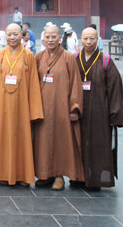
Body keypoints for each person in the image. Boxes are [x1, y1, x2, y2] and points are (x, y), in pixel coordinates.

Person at [0, 23, 44, 186]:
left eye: (15, 34)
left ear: (22, 36)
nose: (12, 37)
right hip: (3, 105)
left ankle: (23, 175)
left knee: (23, 138)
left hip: (22, 105)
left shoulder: (29, 56)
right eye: (9, 34)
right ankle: (4, 174)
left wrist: (34, 109)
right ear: (5, 37)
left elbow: (34, 84)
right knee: (3, 138)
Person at [33, 25, 84, 191]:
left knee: (60, 142)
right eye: (47, 37)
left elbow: (76, 83)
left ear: (59, 37)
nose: (50, 40)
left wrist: (74, 107)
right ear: (43, 39)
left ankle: (59, 175)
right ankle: (44, 174)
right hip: (42, 107)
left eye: (54, 37)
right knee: (42, 141)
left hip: (61, 107)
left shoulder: (68, 57)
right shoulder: (39, 57)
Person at [77, 27, 123, 190]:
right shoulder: (75, 59)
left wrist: (114, 113)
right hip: (79, 109)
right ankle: (79, 177)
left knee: (98, 144)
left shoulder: (105, 60)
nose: (89, 42)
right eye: (85, 39)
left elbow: (114, 87)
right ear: (81, 40)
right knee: (79, 143)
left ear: (97, 39)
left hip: (100, 110)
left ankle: (96, 178)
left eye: (92, 38)